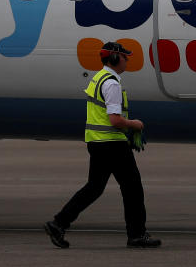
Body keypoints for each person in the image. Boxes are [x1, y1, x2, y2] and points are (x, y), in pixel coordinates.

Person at [43, 41, 162, 249]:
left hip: (97, 143)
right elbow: (115, 120)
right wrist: (135, 124)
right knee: (133, 188)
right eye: (125, 57)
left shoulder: (98, 78)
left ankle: (59, 222)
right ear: (115, 58)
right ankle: (137, 235)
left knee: (94, 188)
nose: (127, 61)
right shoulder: (112, 84)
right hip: (113, 145)